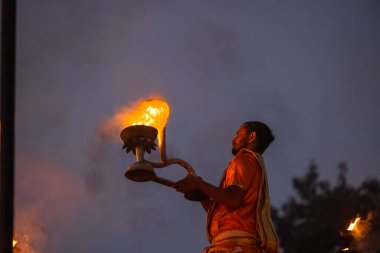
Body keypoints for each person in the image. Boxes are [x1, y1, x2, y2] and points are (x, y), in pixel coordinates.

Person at [175, 121, 279, 253]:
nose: (233, 139)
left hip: (234, 247)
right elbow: (224, 212)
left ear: (251, 136)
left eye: (238, 134)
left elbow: (233, 200)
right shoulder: (252, 162)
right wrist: (202, 195)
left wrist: (198, 184)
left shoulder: (244, 158)